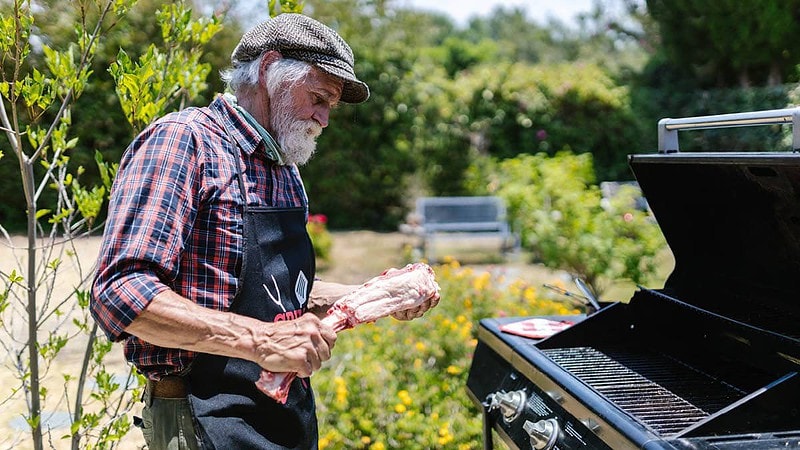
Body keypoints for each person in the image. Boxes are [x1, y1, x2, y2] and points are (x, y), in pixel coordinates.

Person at [90, 13, 438, 450]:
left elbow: (275, 292)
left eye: (330, 105)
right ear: (270, 68)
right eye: (318, 97)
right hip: (202, 417)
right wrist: (260, 340)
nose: (324, 118)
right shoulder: (184, 142)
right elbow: (120, 291)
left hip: (283, 413)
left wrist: (375, 297)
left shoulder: (282, 167)